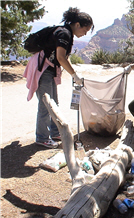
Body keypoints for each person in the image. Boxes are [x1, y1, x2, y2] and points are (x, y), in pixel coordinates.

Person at [23, 7, 94, 148]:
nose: (85, 34)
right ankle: (42, 137)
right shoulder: (64, 34)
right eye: (85, 30)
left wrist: (74, 72)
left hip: (49, 68)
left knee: (53, 102)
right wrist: (74, 74)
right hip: (42, 69)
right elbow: (61, 58)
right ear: (77, 24)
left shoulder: (67, 33)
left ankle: (56, 132)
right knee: (46, 104)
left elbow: (64, 57)